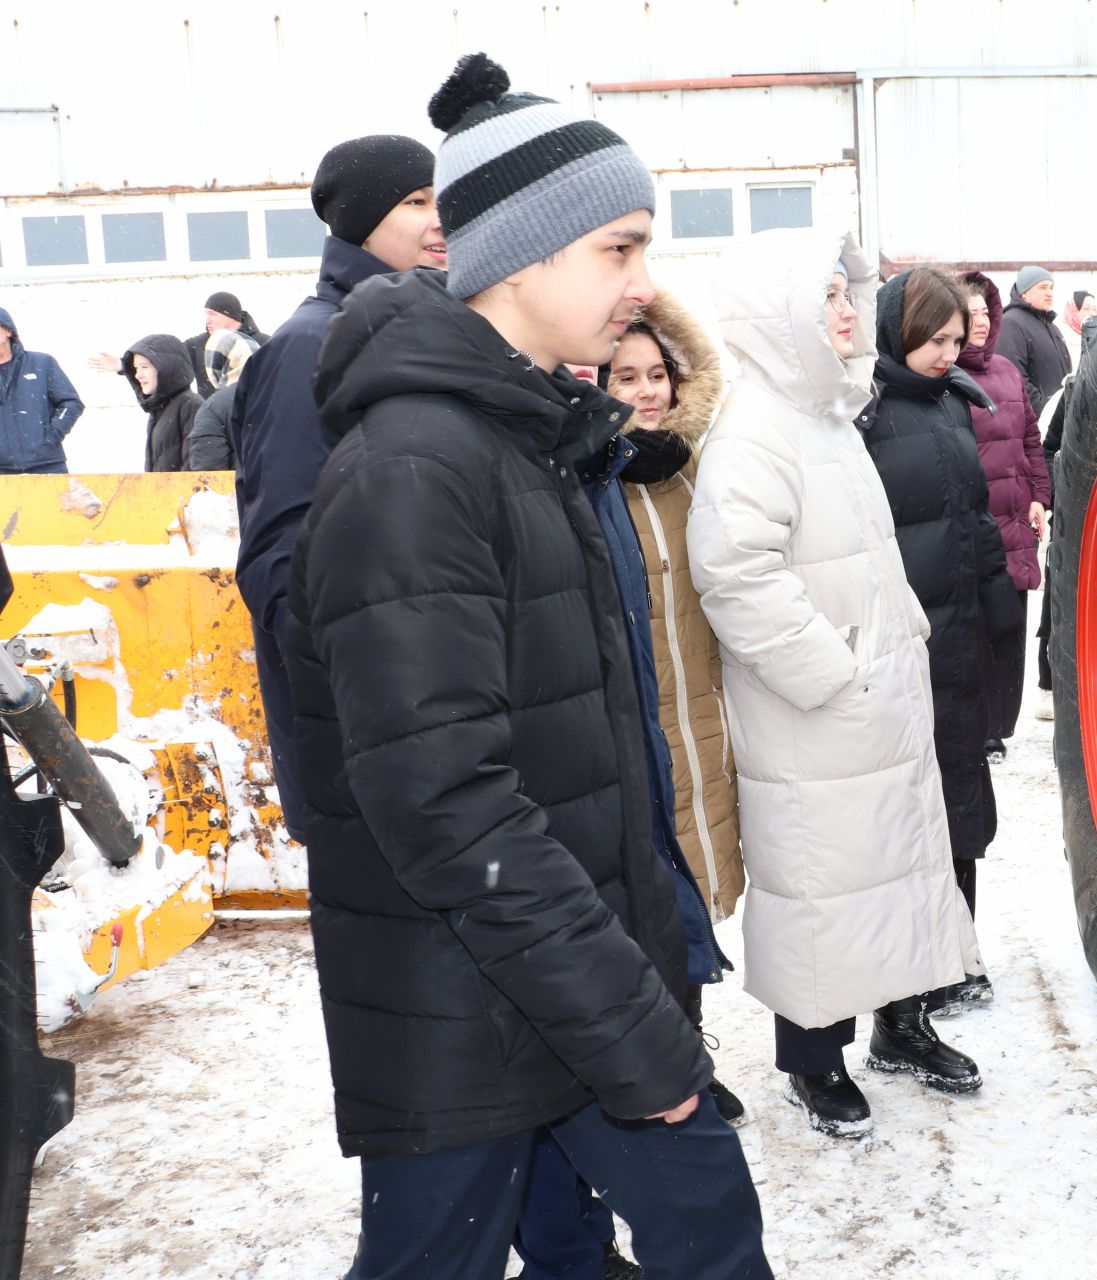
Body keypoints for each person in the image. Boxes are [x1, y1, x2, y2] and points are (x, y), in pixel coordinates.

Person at [282, 53, 769, 1280]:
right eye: (619, 248)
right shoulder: (416, 469)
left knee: (691, 1233)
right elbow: (448, 800)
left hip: (559, 980)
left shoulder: (531, 440)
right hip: (470, 1011)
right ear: (519, 254)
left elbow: (584, 747)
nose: (644, 285)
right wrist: (633, 1031)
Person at [687, 230, 984, 1140]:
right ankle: (813, 1064)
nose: (849, 312)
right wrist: (832, 671)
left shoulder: (824, 417)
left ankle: (902, 1026)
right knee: (820, 884)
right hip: (819, 714)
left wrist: (902, 637)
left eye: (845, 294)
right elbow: (736, 573)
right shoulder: (755, 430)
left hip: (877, 697)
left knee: (891, 869)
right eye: (827, 298)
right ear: (781, 316)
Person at [233, 131, 442, 849]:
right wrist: (373, 690)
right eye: (416, 200)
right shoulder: (308, 348)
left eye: (446, 198)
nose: (439, 218)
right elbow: (279, 563)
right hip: (370, 737)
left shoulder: (434, 334)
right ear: (358, 218)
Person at [860, 267, 1022, 1012]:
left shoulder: (957, 403)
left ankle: (959, 951)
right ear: (898, 329)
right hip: (902, 641)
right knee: (906, 808)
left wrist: (998, 604)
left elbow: (978, 516)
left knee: (961, 795)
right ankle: (911, 971)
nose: (946, 351)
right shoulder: (864, 416)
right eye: (933, 337)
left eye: (957, 338)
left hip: (959, 634)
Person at [603, 297, 750, 1113]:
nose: (647, 391)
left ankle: (689, 1050)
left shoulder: (699, 468)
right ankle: (658, 1064)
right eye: (626, 376)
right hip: (630, 718)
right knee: (640, 904)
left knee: (691, 886)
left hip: (701, 712)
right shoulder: (586, 479)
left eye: (658, 374)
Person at [955, 271, 1050, 763]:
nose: (979, 322)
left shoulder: (1008, 371)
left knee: (1007, 626)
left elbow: (1030, 440)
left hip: (1013, 519)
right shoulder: (945, 378)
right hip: (972, 524)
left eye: (985, 313)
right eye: (968, 314)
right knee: (970, 630)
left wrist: (1039, 494)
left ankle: (996, 726)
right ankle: (976, 729)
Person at [0, 307, 84, 475]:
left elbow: (71, 403)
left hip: (47, 466)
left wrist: (50, 437)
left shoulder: (41, 363)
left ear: (8, 330)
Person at [997, 264, 1072, 413]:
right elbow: (1013, 376)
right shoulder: (1010, 322)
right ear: (1024, 292)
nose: (1049, 293)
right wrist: (1044, 410)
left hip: (1059, 418)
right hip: (1036, 422)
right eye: (1043, 287)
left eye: (1051, 287)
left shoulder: (1051, 326)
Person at [120, 335, 200, 473]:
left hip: (180, 493)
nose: (138, 375)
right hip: (162, 493)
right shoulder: (160, 407)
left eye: (144, 367)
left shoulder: (190, 405)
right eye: (135, 368)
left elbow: (192, 469)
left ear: (166, 367)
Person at [187, 292, 267, 397]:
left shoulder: (266, 344)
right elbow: (171, 363)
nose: (207, 320)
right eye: (206, 314)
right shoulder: (197, 345)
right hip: (211, 411)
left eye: (213, 314)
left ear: (230, 316)